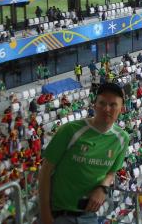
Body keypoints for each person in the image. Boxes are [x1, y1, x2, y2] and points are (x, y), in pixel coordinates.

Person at [39, 83, 129, 224]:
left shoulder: (122, 139)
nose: (107, 109)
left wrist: (103, 188)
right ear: (94, 105)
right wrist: (45, 214)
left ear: (121, 109)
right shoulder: (70, 131)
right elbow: (45, 171)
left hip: (88, 216)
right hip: (58, 214)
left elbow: (112, 172)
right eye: (102, 103)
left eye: (113, 105)